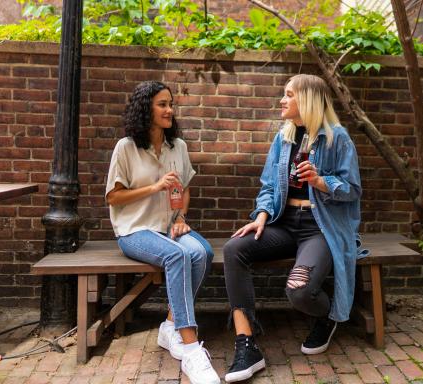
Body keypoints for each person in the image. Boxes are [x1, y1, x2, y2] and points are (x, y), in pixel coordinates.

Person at [222, 74, 365, 382]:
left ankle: (328, 316)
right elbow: (269, 186)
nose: (282, 100)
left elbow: (352, 190)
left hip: (320, 227)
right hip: (284, 224)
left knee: (298, 292)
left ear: (308, 100)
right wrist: (261, 214)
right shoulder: (283, 138)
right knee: (234, 249)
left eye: (289, 94)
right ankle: (246, 343)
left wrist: (320, 181)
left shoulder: (337, 138)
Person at [105, 81, 219, 384]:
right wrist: (154, 187)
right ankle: (191, 347)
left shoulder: (177, 146)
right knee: (180, 254)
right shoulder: (126, 147)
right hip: (135, 230)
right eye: (162, 104)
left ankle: (170, 325)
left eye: (171, 104)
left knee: (202, 252)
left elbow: (186, 188)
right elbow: (113, 198)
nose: (170, 110)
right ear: (146, 108)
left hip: (169, 227)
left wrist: (181, 216)